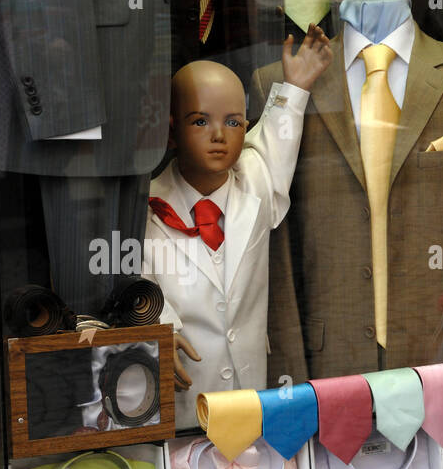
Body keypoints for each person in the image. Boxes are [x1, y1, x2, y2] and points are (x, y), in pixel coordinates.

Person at [143, 24, 333, 426]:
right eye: (199, 122)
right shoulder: (144, 210)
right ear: (171, 131)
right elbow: (138, 288)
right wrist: (158, 331)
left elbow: (278, 139)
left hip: (252, 403)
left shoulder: (257, 184)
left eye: (233, 122)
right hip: (182, 407)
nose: (218, 136)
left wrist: (295, 85)